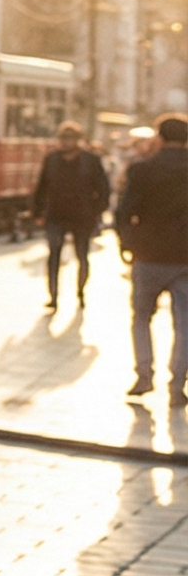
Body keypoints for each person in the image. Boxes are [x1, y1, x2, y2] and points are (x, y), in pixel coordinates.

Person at [116, 113, 188, 402]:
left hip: (148, 253)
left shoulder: (142, 169)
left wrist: (126, 242)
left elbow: (124, 211)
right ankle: (177, 385)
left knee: (142, 316)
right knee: (184, 323)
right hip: (185, 257)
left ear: (159, 138)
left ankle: (144, 375)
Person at [31, 123, 111, 312]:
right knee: (54, 254)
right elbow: (42, 186)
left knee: (82, 255)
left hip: (82, 215)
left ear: (78, 140)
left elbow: (103, 188)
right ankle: (53, 296)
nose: (66, 143)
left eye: (70, 139)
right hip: (56, 214)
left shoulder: (91, 160)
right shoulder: (52, 159)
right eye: (63, 139)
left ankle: (80, 292)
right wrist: (37, 211)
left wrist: (97, 210)